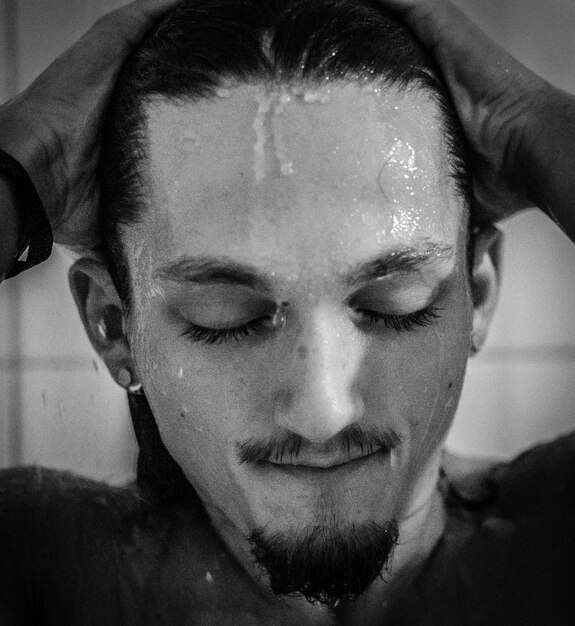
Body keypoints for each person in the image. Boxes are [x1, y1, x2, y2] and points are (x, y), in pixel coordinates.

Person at [0, 0, 573, 624]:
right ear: (114, 326)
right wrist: (26, 168)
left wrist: (531, 127)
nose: (322, 411)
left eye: (392, 304)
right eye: (229, 316)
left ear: (479, 294)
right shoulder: (38, 571)